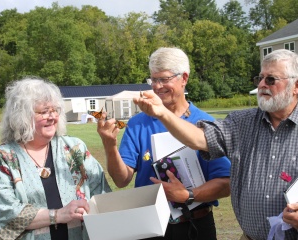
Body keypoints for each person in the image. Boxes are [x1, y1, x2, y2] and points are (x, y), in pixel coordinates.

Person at [133, 49, 298, 240]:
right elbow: (200, 139)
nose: (262, 85)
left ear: (296, 85)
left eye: (271, 79)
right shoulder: (242, 122)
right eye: (260, 78)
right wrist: (162, 113)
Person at [97, 47, 231, 240]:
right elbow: (121, 180)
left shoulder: (207, 124)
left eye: (164, 79)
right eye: (154, 80)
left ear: (184, 78)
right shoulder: (138, 123)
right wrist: (110, 146)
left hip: (195, 226)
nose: (158, 86)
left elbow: (225, 184)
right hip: (149, 225)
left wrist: (188, 195)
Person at [0, 78, 111, 240]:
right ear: (22, 116)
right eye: (44, 111)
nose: (52, 117)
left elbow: (101, 196)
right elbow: (4, 212)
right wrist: (58, 214)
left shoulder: (74, 149)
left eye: (55, 110)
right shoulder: (3, 158)